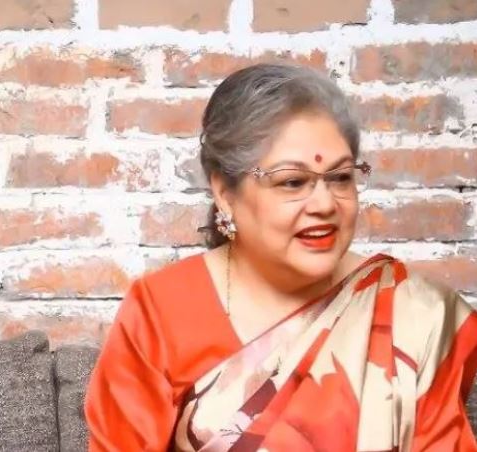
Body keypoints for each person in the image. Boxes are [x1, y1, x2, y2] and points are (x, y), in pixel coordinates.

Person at [84, 64, 477, 451]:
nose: (324, 204)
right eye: (292, 181)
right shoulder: (161, 311)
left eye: (341, 177)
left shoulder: (416, 313)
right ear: (225, 193)